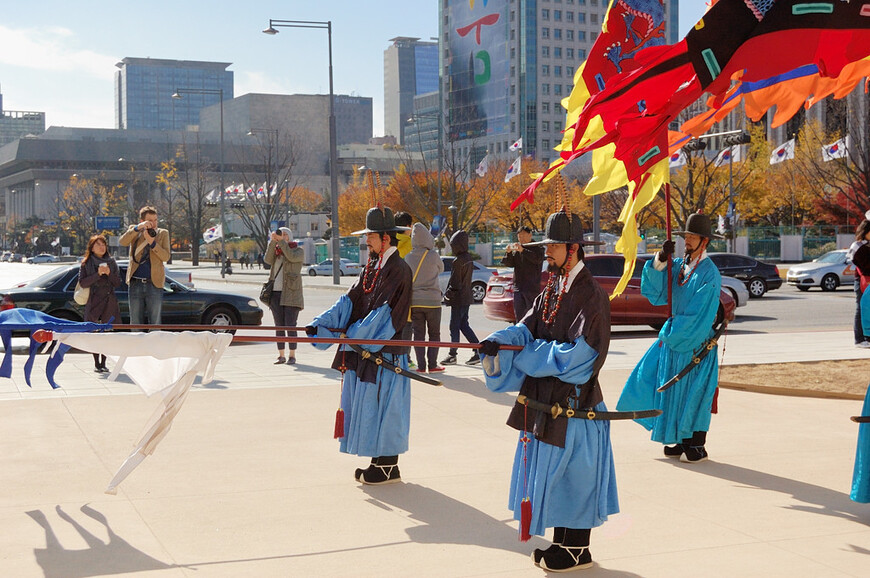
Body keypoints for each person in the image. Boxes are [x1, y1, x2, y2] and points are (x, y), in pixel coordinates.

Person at [477, 209, 618, 572]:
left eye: (553, 246)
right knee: (556, 478)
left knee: (575, 477)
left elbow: (581, 358)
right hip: (547, 402)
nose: (547, 252)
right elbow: (525, 329)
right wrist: (499, 341)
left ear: (572, 249)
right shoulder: (551, 289)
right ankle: (563, 545)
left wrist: (527, 355)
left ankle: (576, 550)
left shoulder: (591, 295)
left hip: (576, 406)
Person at [306, 205, 413, 484]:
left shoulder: (399, 270)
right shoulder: (373, 267)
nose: (367, 242)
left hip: (385, 351)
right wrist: (322, 325)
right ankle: (378, 463)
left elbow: (386, 315)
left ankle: (388, 466)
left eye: (371, 237)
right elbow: (350, 301)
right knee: (372, 407)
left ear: (386, 239)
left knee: (386, 409)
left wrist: (353, 334)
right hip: (366, 346)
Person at [617, 211, 723, 463]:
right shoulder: (679, 267)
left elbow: (700, 314)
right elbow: (656, 290)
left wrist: (670, 332)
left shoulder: (710, 274)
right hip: (675, 341)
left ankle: (694, 443)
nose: (686, 241)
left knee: (694, 393)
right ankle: (675, 438)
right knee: (667, 388)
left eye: (692, 237)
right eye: (685, 236)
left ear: (704, 241)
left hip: (695, 344)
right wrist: (661, 259)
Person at [404, 222, 445, 373]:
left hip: (415, 302)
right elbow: (441, 269)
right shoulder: (433, 255)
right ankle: (433, 365)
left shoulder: (408, 257)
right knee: (434, 333)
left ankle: (421, 366)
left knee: (418, 334)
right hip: (433, 301)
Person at [119, 206, 170, 326]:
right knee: (135, 321)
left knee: (155, 321)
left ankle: (155, 344)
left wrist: (152, 242)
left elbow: (166, 257)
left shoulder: (162, 233)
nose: (153, 223)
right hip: (135, 282)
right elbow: (122, 241)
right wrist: (138, 228)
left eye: (155, 220)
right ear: (142, 221)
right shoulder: (134, 231)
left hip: (154, 282)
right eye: (150, 221)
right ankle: (136, 344)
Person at [78, 234, 121, 373]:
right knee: (94, 332)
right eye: (98, 245)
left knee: (107, 333)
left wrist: (109, 273)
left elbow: (117, 283)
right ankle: (97, 363)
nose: (101, 247)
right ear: (92, 247)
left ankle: (104, 362)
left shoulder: (111, 262)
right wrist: (97, 274)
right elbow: (83, 282)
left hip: (109, 299)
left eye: (103, 245)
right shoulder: (86, 263)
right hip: (94, 300)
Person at [264, 227, 305, 364]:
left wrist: (281, 242)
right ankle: (281, 355)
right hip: (275, 292)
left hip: (292, 293)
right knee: (279, 325)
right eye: (281, 234)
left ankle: (292, 355)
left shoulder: (298, 251)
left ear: (290, 237)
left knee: (290, 325)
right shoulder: (276, 252)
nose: (283, 236)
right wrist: (272, 242)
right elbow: (267, 260)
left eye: (286, 235)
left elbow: (291, 257)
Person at [440, 230, 480, 366]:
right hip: (466, 297)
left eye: (453, 245)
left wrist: (447, 295)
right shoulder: (468, 258)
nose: (453, 248)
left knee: (454, 326)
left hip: (458, 298)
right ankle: (478, 349)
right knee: (464, 325)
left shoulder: (458, 261)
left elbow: (455, 283)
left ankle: (452, 354)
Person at [502, 225, 545, 321]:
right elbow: (509, 263)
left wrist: (523, 251)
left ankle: (532, 335)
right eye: (519, 236)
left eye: (524, 235)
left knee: (532, 315)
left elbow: (537, 259)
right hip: (518, 287)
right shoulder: (518, 248)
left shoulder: (537, 247)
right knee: (519, 315)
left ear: (530, 235)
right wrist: (508, 253)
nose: (521, 238)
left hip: (531, 287)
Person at [847, 219, 870, 348]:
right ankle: (860, 339)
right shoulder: (858, 246)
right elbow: (861, 264)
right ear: (865, 231)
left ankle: (867, 337)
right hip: (862, 281)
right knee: (861, 309)